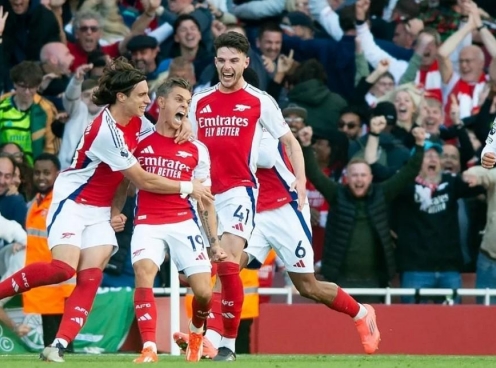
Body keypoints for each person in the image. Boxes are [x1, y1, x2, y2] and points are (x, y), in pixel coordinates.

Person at [0, 57, 213, 363]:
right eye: (141, 94)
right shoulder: (106, 130)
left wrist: (184, 121)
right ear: (121, 97)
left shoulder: (138, 123)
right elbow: (139, 177)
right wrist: (186, 187)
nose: (147, 99)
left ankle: (57, 346)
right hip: (73, 202)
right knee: (63, 269)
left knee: (90, 277)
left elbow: (160, 134)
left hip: (99, 210)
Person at [173, 131, 382, 357]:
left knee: (307, 286)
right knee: (227, 268)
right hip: (253, 210)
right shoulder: (216, 115)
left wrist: (221, 143)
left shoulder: (260, 116)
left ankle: (361, 313)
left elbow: (264, 157)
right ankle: (212, 341)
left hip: (285, 208)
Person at [188, 31, 306, 361]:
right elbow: (188, 146)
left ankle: (227, 343)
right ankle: (199, 333)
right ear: (215, 62)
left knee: (226, 265)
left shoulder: (260, 100)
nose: (227, 67)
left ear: (246, 62)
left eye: (234, 61)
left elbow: (290, 142)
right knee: (202, 270)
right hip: (205, 194)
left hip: (240, 191)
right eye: (222, 61)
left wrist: (299, 179)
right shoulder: (200, 101)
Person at [111, 77, 227, 363]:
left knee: (202, 291)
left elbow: (205, 199)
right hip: (148, 222)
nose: (184, 106)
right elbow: (125, 182)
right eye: (178, 99)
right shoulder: (139, 141)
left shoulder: (197, 149)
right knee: (143, 273)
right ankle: (149, 347)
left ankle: (197, 334)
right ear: (160, 102)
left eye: (187, 102)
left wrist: (213, 242)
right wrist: (116, 210)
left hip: (183, 222)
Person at [22, 154, 75, 350]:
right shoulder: (35, 203)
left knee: (60, 346)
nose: (41, 177)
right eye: (37, 173)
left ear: (57, 174)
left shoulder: (60, 203)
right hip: (44, 285)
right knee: (52, 345)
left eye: (46, 173)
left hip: (59, 286)